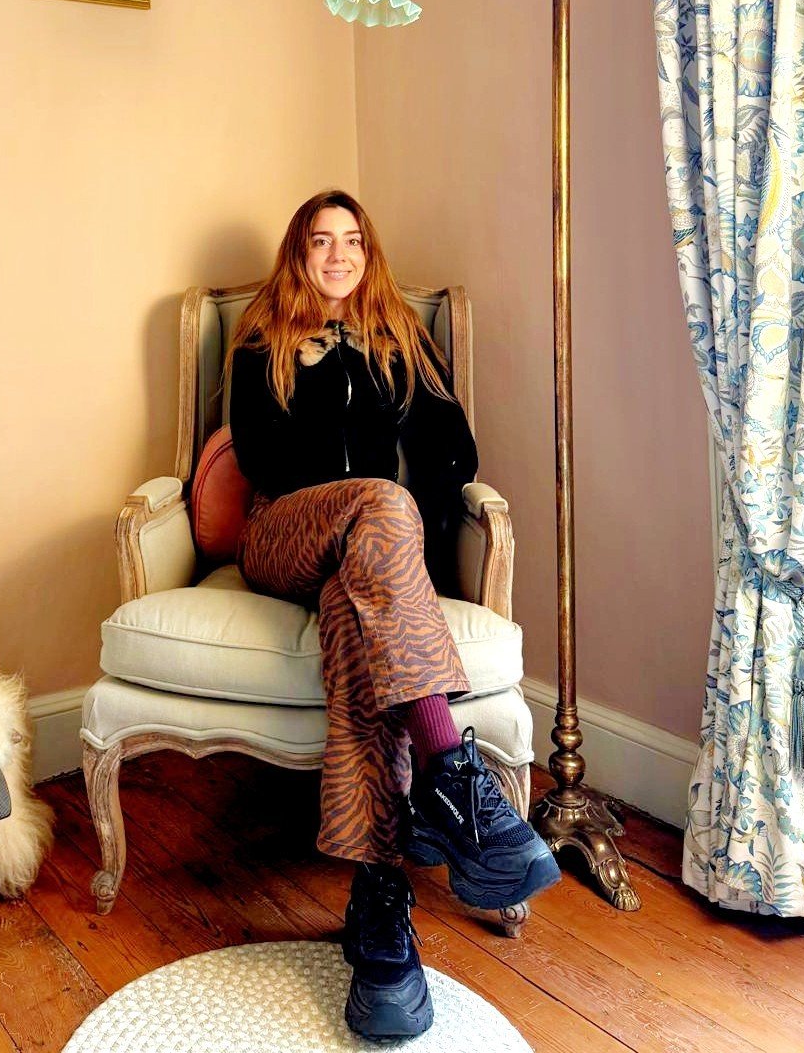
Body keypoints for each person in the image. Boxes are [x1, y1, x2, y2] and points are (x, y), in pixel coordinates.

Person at [228, 190, 560, 1041]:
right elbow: (266, 459)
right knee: (377, 504)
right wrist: (316, 364)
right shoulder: (262, 342)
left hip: (365, 567)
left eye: (351, 241)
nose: (337, 255)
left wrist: (409, 540)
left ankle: (380, 912)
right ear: (297, 254)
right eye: (319, 241)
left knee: (357, 608)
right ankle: (458, 778)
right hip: (283, 536)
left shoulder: (400, 338)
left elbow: (458, 448)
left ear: (369, 253)